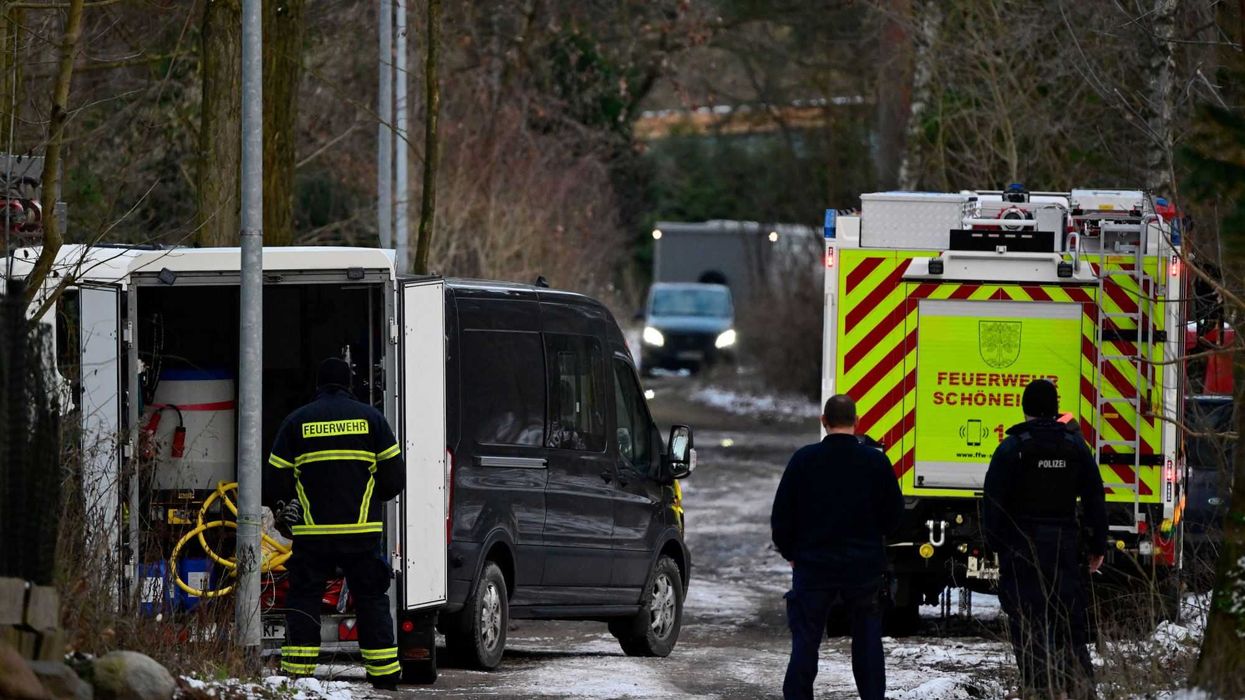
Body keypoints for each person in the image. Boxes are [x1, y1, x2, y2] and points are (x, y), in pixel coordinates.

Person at [266, 357, 405, 690]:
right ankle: (384, 674)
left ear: (318, 385)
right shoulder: (372, 420)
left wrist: (289, 510)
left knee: (304, 597)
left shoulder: (297, 421)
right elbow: (393, 480)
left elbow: (274, 480)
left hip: (312, 535)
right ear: (349, 385)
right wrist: (370, 500)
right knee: (370, 599)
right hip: (361, 534)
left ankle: (299, 674)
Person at [771, 394, 904, 700]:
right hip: (863, 567)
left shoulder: (804, 460)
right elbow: (894, 516)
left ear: (824, 421)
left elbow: (782, 517)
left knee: (806, 640)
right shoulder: (875, 461)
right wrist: (874, 541)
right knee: (867, 639)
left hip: (813, 565)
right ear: (857, 422)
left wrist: (791, 553)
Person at [983, 378, 1107, 700]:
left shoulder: (1012, 448)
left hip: (1023, 550)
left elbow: (993, 503)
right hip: (1065, 550)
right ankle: (1079, 691)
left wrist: (995, 546)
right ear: (1055, 409)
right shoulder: (1075, 447)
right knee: (1069, 625)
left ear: (1025, 409)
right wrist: (1097, 546)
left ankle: (1039, 690)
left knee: (1028, 623)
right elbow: (1095, 498)